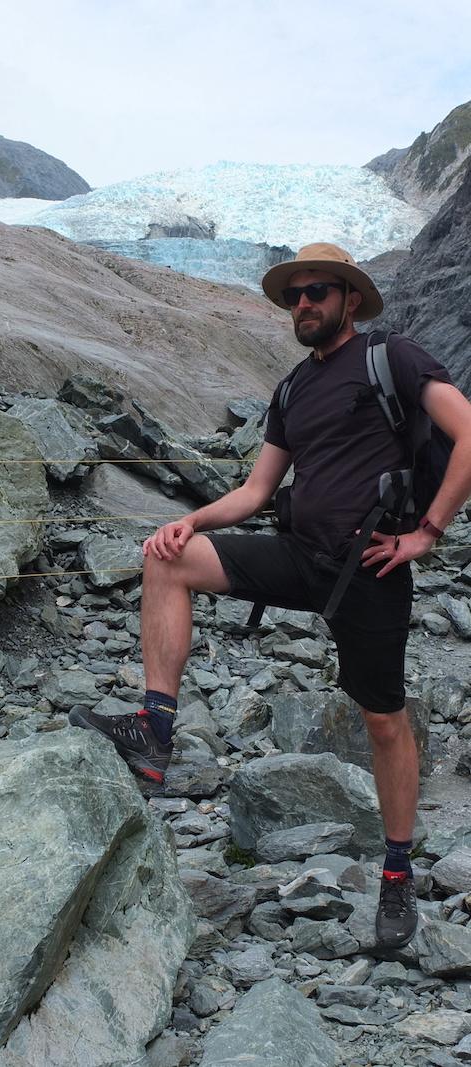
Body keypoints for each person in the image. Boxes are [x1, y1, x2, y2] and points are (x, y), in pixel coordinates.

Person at [70, 242, 471, 948]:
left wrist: (429, 531)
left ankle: (398, 874)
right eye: (295, 295)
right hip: (297, 554)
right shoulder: (291, 389)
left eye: (318, 290)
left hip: (372, 566)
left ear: (349, 298)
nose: (305, 303)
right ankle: (155, 730)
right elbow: (258, 490)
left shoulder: (392, 358)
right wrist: (189, 520)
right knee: (167, 560)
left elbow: (468, 428)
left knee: (383, 720)